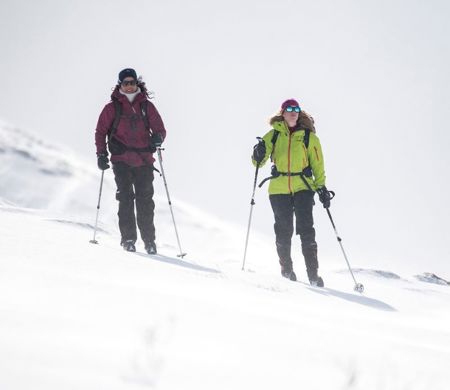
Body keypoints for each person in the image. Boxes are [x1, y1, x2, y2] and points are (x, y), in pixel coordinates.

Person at [252, 99, 333, 286]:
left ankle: (313, 275)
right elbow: (258, 162)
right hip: (279, 188)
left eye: (296, 109)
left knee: (306, 229)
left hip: (303, 186)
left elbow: (318, 165)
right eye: (289, 109)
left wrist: (321, 188)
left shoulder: (309, 137)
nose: (293, 112)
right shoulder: (273, 135)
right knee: (283, 229)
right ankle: (286, 270)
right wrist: (259, 152)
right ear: (283, 113)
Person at [95, 68, 166, 254]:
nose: (129, 86)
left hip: (144, 160)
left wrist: (158, 138)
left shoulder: (146, 106)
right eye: (125, 83)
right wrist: (101, 154)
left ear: (137, 84)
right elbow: (100, 132)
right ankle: (128, 239)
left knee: (145, 201)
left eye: (132, 82)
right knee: (125, 199)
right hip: (121, 160)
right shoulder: (111, 108)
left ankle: (149, 241)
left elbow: (160, 129)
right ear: (120, 85)